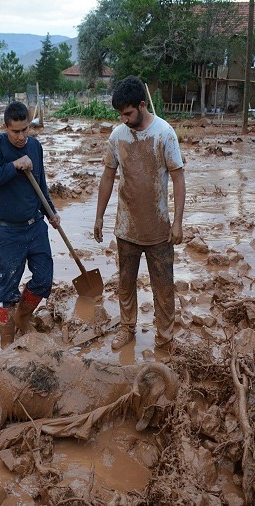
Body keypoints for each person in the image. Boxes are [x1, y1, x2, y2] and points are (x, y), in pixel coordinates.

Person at [93, 76, 186, 350]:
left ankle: (165, 337)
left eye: (128, 113)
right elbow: (108, 177)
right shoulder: (117, 137)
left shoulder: (164, 133)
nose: (123, 119)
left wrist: (178, 222)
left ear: (142, 105)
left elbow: (178, 179)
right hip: (126, 227)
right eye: (120, 114)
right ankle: (127, 328)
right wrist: (99, 216)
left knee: (164, 288)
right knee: (125, 283)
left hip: (158, 229)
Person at [0, 101, 60, 347]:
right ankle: (7, 344)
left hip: (36, 225)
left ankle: (23, 318)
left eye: (25, 129)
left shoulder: (35, 147)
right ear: (5, 127)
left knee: (44, 278)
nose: (21, 136)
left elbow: (41, 182)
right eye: (15, 131)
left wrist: (51, 212)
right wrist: (14, 165)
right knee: (7, 289)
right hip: (10, 229)